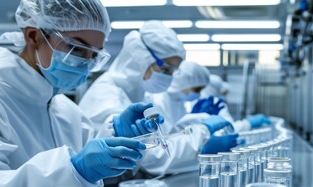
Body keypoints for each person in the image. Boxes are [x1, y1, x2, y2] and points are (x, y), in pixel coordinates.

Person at [0, 0, 161, 187]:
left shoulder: (65, 108)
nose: (85, 63)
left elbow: (89, 160)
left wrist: (116, 134)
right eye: (77, 49)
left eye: (93, 56)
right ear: (33, 36)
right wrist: (74, 171)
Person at [80, 21, 238, 175]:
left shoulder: (143, 95)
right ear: (141, 57)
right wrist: (202, 138)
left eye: (173, 71)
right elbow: (152, 159)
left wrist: (197, 122)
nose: (169, 77)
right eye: (165, 69)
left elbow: (164, 138)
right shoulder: (106, 95)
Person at [148, 61, 212, 133]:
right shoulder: (159, 100)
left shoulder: (179, 101)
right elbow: (167, 136)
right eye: (197, 89)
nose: (198, 94)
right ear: (184, 83)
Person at [195, 74, 272, 132]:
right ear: (216, 89)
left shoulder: (198, 102)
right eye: (224, 93)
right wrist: (249, 123)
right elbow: (229, 128)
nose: (224, 96)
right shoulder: (215, 104)